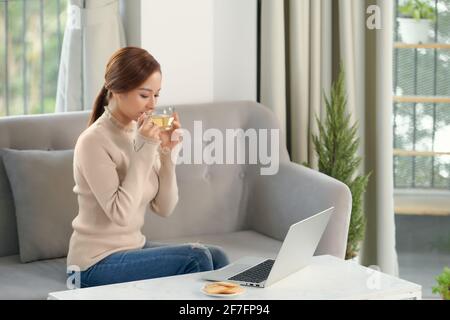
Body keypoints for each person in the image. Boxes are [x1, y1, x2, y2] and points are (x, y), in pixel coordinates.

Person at [66, 47, 229, 288]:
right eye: (145, 95)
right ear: (117, 90)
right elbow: (120, 215)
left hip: (132, 248)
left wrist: (166, 155)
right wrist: (144, 149)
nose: (152, 105)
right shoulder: (93, 141)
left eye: (157, 95)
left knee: (216, 256)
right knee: (197, 258)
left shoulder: (139, 132)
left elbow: (164, 208)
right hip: (90, 267)